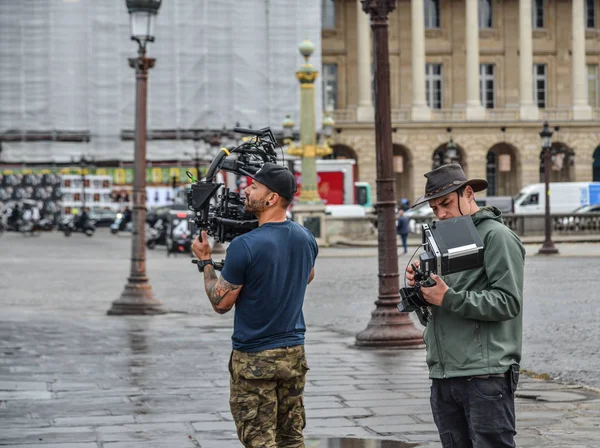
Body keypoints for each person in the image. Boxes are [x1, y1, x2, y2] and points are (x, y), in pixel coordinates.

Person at [191, 162, 318, 448]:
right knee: (291, 438)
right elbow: (307, 276)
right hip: (294, 353)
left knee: (259, 441)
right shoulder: (306, 237)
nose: (246, 191)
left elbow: (221, 302)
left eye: (254, 187)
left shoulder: (244, 245)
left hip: (255, 357)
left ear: (271, 198)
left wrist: (206, 263)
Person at [405, 163, 525, 448]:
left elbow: (508, 302)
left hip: (485, 376)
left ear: (468, 193)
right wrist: (422, 294)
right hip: (444, 376)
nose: (441, 213)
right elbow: (435, 314)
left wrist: (447, 297)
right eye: (435, 209)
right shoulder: (443, 241)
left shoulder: (497, 236)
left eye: (446, 203)